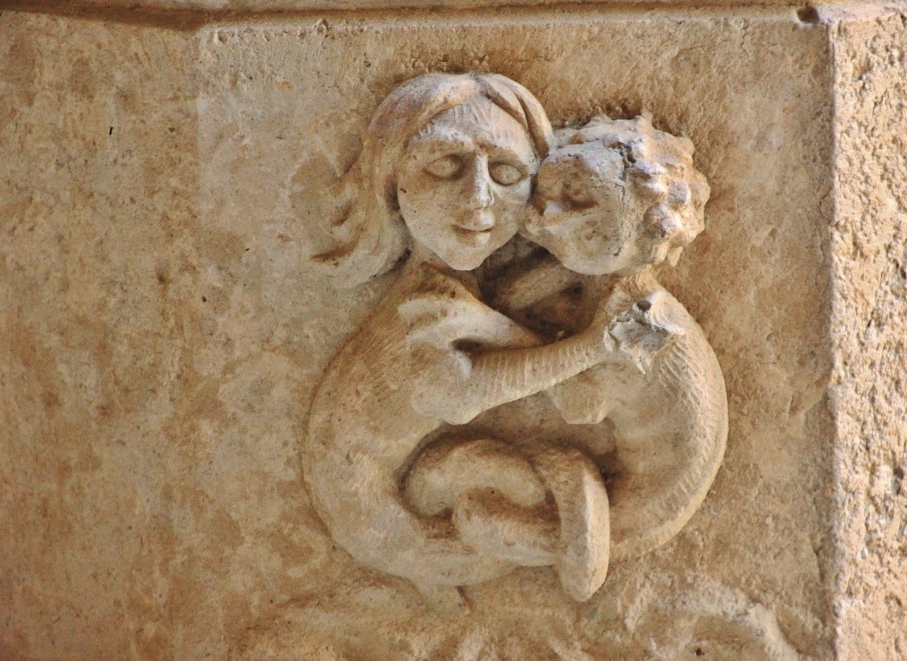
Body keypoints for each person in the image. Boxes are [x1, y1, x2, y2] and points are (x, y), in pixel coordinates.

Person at [304, 74, 662, 604]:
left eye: (507, 172)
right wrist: (593, 347)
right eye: (444, 165)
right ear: (389, 183)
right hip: (383, 521)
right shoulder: (420, 316)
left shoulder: (456, 293)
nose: (477, 200)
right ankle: (579, 540)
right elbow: (466, 392)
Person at [408, 115, 727, 564]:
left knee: (480, 515)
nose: (546, 213)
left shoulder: (646, 325)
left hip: (630, 507)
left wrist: (491, 328)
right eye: (567, 186)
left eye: (585, 212)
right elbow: (527, 288)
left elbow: (577, 400)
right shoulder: (607, 279)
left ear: (637, 242)